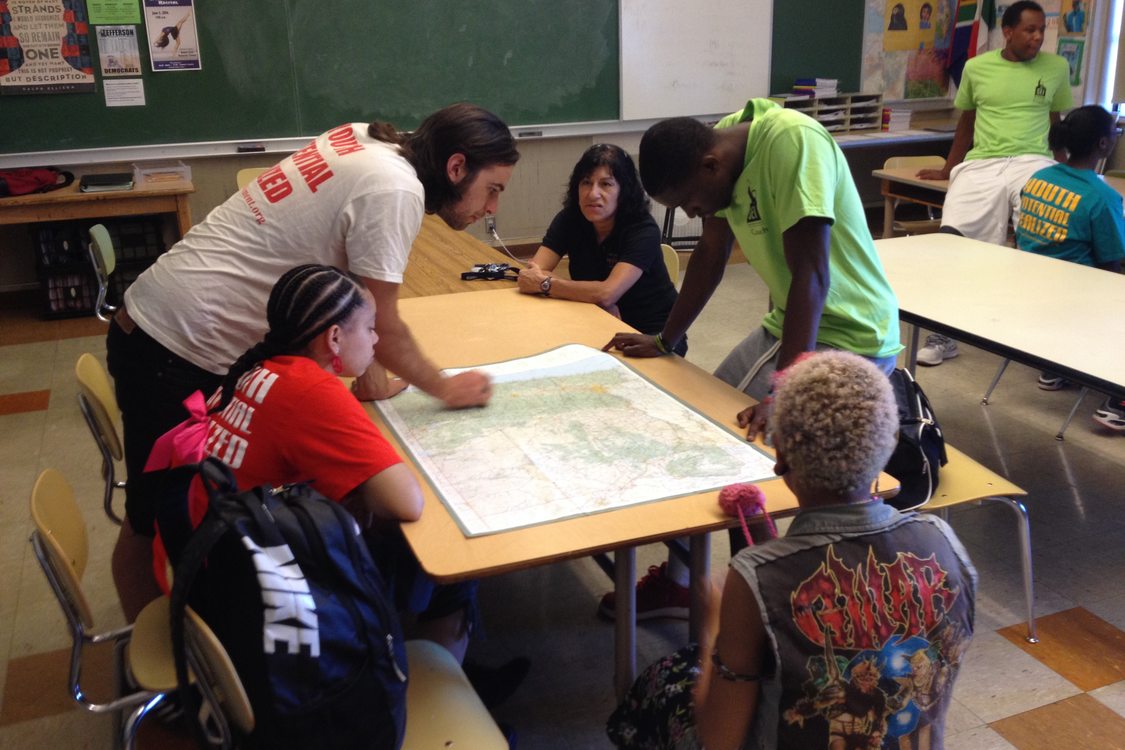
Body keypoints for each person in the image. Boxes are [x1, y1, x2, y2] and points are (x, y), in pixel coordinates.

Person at [108, 103, 519, 623]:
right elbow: (385, 324)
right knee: (155, 519)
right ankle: (171, 673)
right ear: (457, 168)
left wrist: (371, 378)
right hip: (175, 344)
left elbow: (358, 303)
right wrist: (444, 387)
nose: (491, 208)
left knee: (182, 509)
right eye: (494, 189)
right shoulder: (396, 190)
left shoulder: (367, 139)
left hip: (165, 321)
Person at [155, 265, 528, 705]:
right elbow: (406, 502)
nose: (375, 340)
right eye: (369, 329)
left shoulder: (261, 366)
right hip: (258, 596)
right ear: (333, 339)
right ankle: (429, 695)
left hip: (207, 563)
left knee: (375, 515)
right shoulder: (310, 390)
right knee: (443, 556)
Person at [601, 101, 901, 619]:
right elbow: (711, 255)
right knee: (700, 432)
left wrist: (782, 392)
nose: (693, 214)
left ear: (711, 167)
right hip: (793, 322)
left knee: (741, 452)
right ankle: (682, 584)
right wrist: (666, 340)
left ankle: (761, 605)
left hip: (852, 333)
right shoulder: (717, 150)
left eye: (691, 202)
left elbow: (812, 276)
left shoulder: (792, 142)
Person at [606, 351, 978, 750]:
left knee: (663, 679)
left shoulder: (755, 578)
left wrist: (714, 625)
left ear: (780, 455)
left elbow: (719, 739)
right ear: (886, 447)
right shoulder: (945, 544)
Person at [916, 1, 1073, 366]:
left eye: (1041, 30)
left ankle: (1043, 335)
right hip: (983, 163)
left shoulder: (1056, 67)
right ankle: (945, 333)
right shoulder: (977, 67)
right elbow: (966, 124)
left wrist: (1071, 174)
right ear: (1007, 32)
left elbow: (1057, 123)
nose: (1037, 37)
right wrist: (948, 168)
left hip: (1034, 160)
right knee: (953, 239)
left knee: (1043, 233)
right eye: (1029, 30)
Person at [1015, 105, 1125, 430]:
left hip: (1028, 297)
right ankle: (1118, 399)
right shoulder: (1101, 197)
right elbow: (1110, 267)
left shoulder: (1039, 178)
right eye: (1115, 131)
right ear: (1103, 145)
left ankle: (1057, 367)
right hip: (1074, 306)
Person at [517, 144, 682, 354]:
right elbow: (532, 273)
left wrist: (549, 284)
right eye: (586, 183)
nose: (593, 194)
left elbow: (606, 293)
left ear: (624, 191)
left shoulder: (643, 229)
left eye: (606, 184)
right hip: (596, 320)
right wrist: (598, 298)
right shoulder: (570, 218)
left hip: (652, 336)